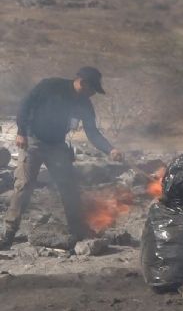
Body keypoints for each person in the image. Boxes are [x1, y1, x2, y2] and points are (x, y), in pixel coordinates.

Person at [0, 67, 123, 249]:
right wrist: (21, 132)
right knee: (24, 185)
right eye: (92, 90)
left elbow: (92, 132)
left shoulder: (84, 104)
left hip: (57, 145)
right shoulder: (51, 86)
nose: (92, 94)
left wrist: (110, 149)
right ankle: (8, 234)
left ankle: (77, 230)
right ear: (83, 82)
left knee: (69, 187)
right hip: (33, 141)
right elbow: (25, 105)